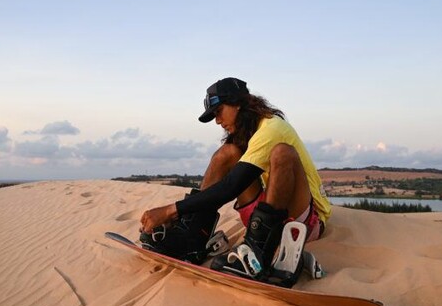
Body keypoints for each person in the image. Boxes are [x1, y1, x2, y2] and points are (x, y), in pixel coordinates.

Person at [139, 77, 331, 284]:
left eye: (219, 111)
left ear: (238, 103)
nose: (217, 120)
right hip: (264, 219)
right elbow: (229, 182)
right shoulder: (246, 134)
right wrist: (182, 214)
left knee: (282, 153)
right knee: (227, 153)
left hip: (303, 222)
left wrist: (170, 210)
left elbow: (231, 187)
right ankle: (192, 238)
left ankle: (259, 254)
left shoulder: (272, 128)